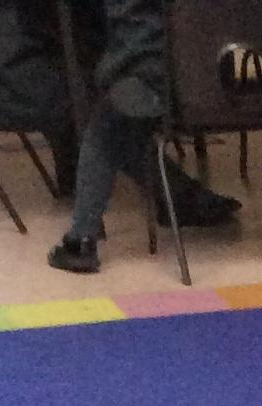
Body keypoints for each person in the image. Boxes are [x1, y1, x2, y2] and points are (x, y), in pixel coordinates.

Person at [45, 0, 239, 274]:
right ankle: (183, 199)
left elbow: (131, 54)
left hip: (155, 83)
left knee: (106, 123)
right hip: (228, 85)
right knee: (123, 125)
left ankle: (80, 240)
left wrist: (104, 76)